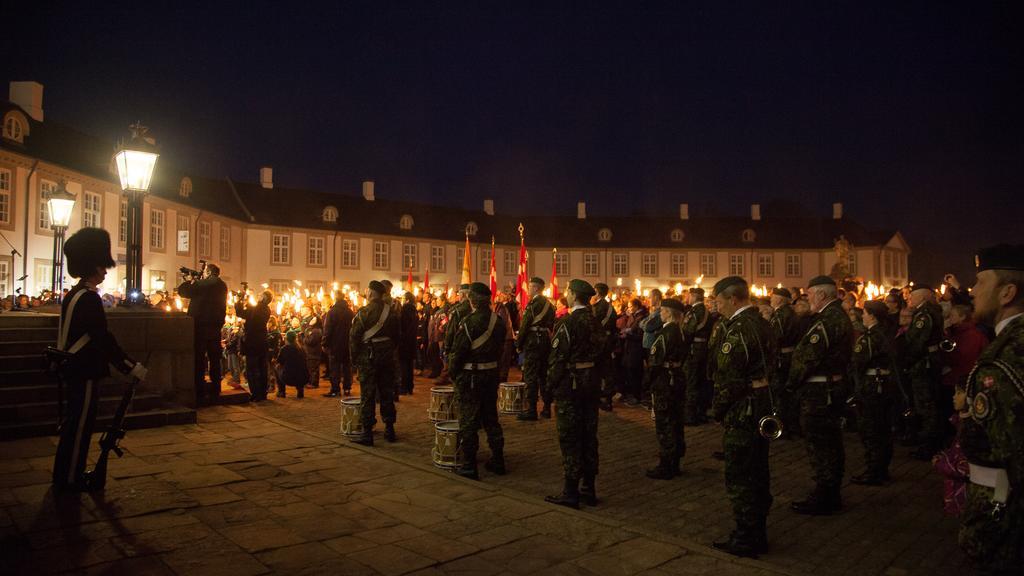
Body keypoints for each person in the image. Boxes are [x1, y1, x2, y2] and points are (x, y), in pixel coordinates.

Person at [51, 228, 147, 491]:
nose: (105, 271)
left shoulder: (75, 294)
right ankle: (70, 478)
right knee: (80, 426)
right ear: (93, 264)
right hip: (84, 369)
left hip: (75, 367)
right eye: (102, 267)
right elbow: (101, 338)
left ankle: (68, 474)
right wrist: (129, 366)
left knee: (75, 424)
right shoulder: (89, 299)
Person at [957, 244, 1024, 574]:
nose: (972, 291)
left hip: (1003, 503)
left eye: (981, 282)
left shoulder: (1005, 358)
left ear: (1007, 292)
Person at [709, 276, 774, 558]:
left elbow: (729, 378)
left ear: (733, 299)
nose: (717, 306)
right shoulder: (762, 322)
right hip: (760, 402)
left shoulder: (737, 330)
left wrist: (719, 409)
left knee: (741, 474)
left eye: (719, 301)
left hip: (743, 408)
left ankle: (747, 535)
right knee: (758, 469)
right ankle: (756, 530)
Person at [785, 275, 853, 516]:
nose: (808, 298)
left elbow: (807, 357)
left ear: (822, 295)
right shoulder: (835, 317)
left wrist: (791, 384)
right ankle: (829, 491)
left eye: (811, 294)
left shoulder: (827, 320)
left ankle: (825, 493)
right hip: (829, 387)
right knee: (830, 442)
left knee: (821, 442)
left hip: (819, 392)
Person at [545, 279, 600, 509]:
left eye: (568, 292)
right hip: (591, 383)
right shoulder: (595, 321)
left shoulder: (569, 322)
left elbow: (558, 358)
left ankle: (570, 491)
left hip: (571, 385)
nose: (565, 295)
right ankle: (588, 487)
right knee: (589, 435)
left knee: (570, 437)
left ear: (574, 295)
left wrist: (549, 387)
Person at [447, 282, 507, 479]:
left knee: (468, 421)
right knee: (491, 418)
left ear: (472, 299)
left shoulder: (468, 322)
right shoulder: (497, 321)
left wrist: (453, 373)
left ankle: (469, 464)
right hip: (490, 375)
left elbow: (458, 352)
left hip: (470, 377)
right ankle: (498, 459)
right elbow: (500, 348)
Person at [849, 300, 896, 485]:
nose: (863, 316)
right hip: (883, 383)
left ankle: (874, 470)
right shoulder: (885, 333)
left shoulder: (870, 336)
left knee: (871, 429)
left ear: (873, 316)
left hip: (872, 385)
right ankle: (881, 468)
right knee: (883, 429)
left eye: (866, 313)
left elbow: (858, 361)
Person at [349, 280, 400, 445]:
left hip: (368, 359)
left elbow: (354, 337)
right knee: (386, 392)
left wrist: (354, 360)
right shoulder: (391, 312)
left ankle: (367, 433)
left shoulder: (364, 312)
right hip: (386, 358)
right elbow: (397, 336)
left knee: (368, 395)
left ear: (370, 293)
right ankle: (390, 429)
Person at [902, 283, 946, 460]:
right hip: (928, 361)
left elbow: (917, 342)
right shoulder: (931, 312)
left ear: (922, 297)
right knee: (929, 403)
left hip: (923, 363)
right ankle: (931, 442)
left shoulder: (924, 315)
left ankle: (929, 445)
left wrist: (909, 359)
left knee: (926, 404)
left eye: (912, 296)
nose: (909, 299)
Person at [646, 298, 688, 480]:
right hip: (676, 377)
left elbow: (655, 361)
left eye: (662, 311)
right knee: (676, 420)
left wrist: (648, 383)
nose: (660, 314)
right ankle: (675, 460)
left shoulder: (666, 333)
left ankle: (666, 464)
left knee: (665, 423)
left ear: (669, 313)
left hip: (665, 381)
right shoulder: (680, 331)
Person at [176, 263, 228, 403]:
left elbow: (183, 292)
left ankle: (199, 390)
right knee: (214, 359)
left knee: (199, 359)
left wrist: (189, 279)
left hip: (200, 326)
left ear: (209, 272)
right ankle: (216, 388)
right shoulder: (222, 285)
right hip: (215, 326)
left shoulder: (203, 284)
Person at [516, 277, 554, 420]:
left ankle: (531, 410)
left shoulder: (533, 304)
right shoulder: (549, 305)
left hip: (533, 342)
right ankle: (546, 408)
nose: (528, 289)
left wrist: (519, 344)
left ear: (537, 288)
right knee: (544, 375)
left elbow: (525, 325)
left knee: (531, 376)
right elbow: (551, 324)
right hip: (545, 341)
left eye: (531, 286)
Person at [769, 287, 802, 437]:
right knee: (787, 392)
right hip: (789, 355)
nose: (770, 299)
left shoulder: (780, 314)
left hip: (781, 357)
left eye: (773, 297)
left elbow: (775, 337)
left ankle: (782, 425)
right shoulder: (790, 312)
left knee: (780, 392)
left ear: (780, 299)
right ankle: (791, 424)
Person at [681, 287, 713, 425]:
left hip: (694, 349)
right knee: (701, 382)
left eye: (689, 295)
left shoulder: (695, 311)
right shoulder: (704, 310)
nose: (687, 297)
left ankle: (690, 415)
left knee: (691, 381)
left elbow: (688, 331)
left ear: (694, 296)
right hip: (703, 349)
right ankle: (701, 412)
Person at [235, 290, 272, 402]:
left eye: (260, 295)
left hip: (253, 343)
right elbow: (242, 313)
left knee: (253, 369)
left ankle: (256, 393)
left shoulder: (261, 308)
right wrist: (240, 301)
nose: (258, 296)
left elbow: (246, 314)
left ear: (264, 298)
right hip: (260, 343)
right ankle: (261, 393)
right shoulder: (261, 308)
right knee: (261, 368)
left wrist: (243, 301)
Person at [591, 283, 618, 412]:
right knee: (608, 372)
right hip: (608, 342)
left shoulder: (597, 307)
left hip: (599, 342)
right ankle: (607, 399)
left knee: (598, 370)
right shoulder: (610, 308)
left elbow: (593, 324)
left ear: (597, 292)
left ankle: (600, 398)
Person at [322, 294, 354, 397]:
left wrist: (324, 343)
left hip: (335, 344)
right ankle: (347, 388)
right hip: (347, 344)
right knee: (347, 367)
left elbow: (328, 329)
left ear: (335, 299)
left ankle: (335, 389)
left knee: (334, 368)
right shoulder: (350, 312)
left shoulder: (332, 312)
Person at [276, 331, 308, 398]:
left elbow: (279, 361)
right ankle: (300, 390)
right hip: (304, 377)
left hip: (289, 378)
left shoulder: (285, 348)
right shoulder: (301, 348)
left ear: (286, 339)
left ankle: (281, 391)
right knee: (299, 368)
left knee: (277, 367)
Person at [399, 291, 418, 395]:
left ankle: (403, 387)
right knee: (410, 366)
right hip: (412, 342)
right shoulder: (414, 311)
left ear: (406, 300)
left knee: (404, 366)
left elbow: (402, 327)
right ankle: (410, 387)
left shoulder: (404, 310)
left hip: (404, 342)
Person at [303, 315, 323, 389]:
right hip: (310, 352)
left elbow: (311, 341)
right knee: (310, 367)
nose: (311, 321)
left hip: (314, 352)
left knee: (313, 368)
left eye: (313, 320)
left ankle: (314, 383)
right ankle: (311, 381)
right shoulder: (311, 330)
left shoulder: (316, 331)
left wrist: (305, 339)